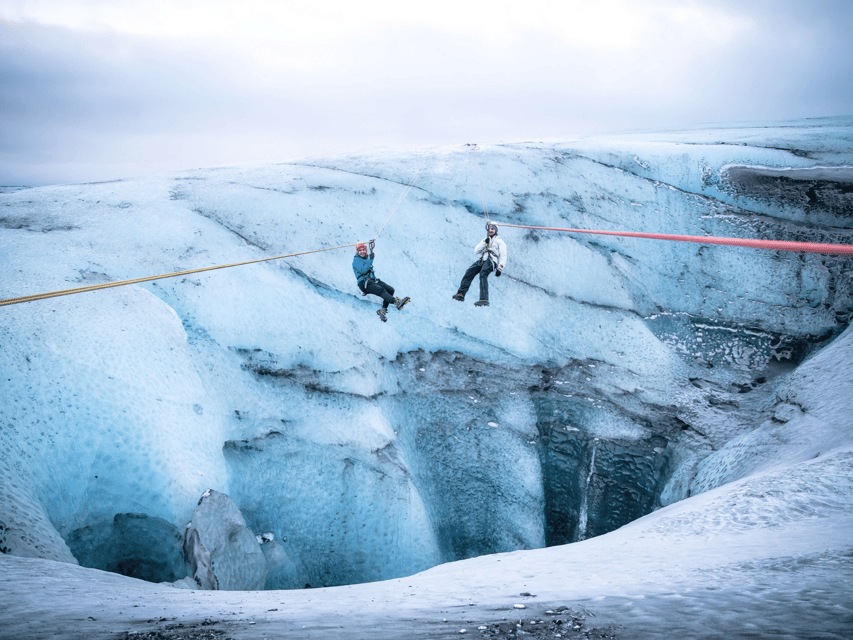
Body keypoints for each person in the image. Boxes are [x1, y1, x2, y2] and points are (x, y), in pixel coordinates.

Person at [352, 240, 410, 322]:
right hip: (364, 283)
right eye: (360, 250)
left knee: (390, 290)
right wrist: (371, 259)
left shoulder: (366, 258)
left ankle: (383, 311)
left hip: (372, 280)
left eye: (363, 250)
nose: (362, 252)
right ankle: (396, 302)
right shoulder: (356, 261)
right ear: (357, 251)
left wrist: (370, 254)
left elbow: (368, 263)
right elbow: (364, 270)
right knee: (381, 290)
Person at [453, 222, 507, 307]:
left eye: (493, 229)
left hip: (492, 260)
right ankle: (460, 294)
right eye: (489, 228)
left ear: (496, 230)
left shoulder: (500, 241)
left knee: (483, 274)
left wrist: (500, 268)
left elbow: (503, 255)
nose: (490, 230)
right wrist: (485, 243)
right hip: (483, 259)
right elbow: (476, 251)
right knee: (469, 272)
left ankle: (484, 299)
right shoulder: (485, 240)